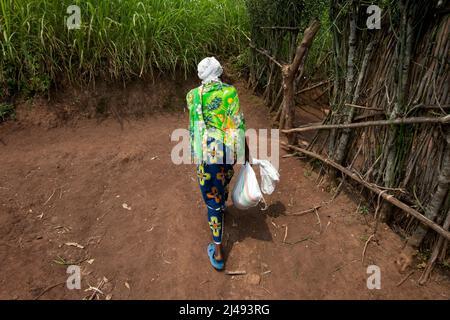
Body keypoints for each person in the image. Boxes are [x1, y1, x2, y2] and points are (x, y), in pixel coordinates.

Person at [186, 57, 249, 270]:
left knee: (211, 198)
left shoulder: (192, 96)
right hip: (225, 150)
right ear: (218, 71)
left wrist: (195, 154)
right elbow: (237, 125)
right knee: (223, 179)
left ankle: (219, 253)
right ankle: (220, 212)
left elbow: (193, 127)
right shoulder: (229, 92)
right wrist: (242, 153)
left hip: (205, 154)